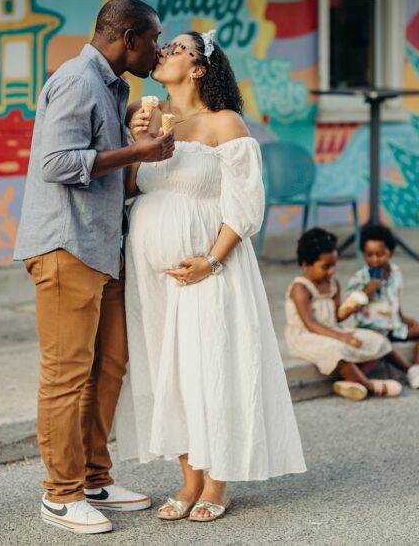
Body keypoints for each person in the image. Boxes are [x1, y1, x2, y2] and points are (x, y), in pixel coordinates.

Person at [118, 29, 305, 524]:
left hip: (209, 271)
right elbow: (131, 191)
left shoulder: (226, 123)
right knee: (168, 370)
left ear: (200, 68)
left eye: (178, 48)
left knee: (211, 368)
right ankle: (188, 478)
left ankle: (217, 480)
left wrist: (211, 261)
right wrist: (139, 142)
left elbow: (245, 205)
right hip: (153, 277)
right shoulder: (154, 118)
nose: (165, 52)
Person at [13, 0, 175, 535]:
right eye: (153, 39)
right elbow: (56, 163)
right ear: (128, 37)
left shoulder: (112, 87)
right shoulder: (79, 80)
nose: (157, 49)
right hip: (66, 247)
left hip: (101, 247)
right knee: (65, 376)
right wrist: (139, 154)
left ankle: (94, 478)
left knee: (109, 365)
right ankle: (60, 495)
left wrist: (131, 130)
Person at [285, 227, 398, 401]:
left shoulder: (333, 283)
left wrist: (348, 309)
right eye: (325, 266)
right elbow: (310, 323)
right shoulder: (300, 288)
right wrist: (342, 337)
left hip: (333, 330)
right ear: (306, 264)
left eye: (334, 264)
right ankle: (369, 386)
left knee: (378, 340)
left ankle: (351, 382)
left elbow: (336, 316)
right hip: (307, 336)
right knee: (336, 349)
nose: (331, 271)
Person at [345, 224, 419, 389]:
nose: (375, 260)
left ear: (390, 252)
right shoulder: (359, 278)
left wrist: (404, 317)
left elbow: (394, 300)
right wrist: (366, 291)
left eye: (380, 254)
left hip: (394, 325)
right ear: (363, 254)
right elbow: (350, 307)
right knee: (382, 344)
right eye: (369, 255)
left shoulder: (396, 273)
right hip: (373, 329)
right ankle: (411, 371)